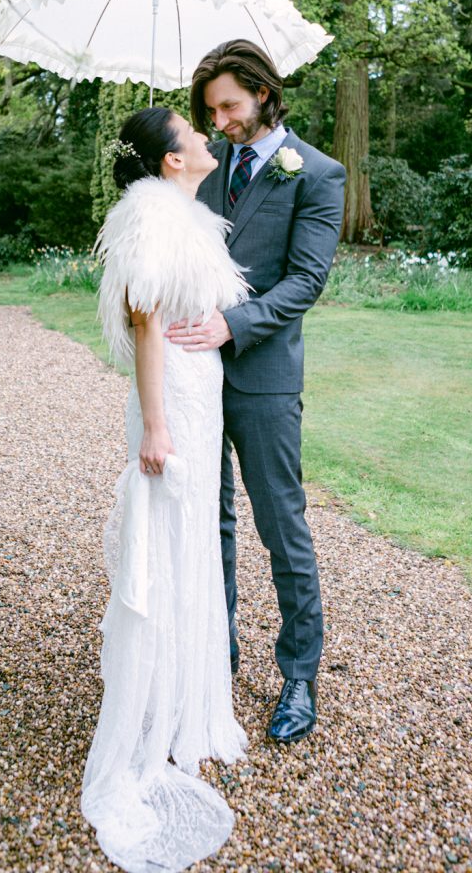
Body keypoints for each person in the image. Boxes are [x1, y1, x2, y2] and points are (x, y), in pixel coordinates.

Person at [81, 106, 250, 873]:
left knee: (190, 548)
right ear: (171, 159)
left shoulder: (186, 212)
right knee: (166, 544)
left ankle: (184, 707)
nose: (208, 136)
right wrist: (154, 424)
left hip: (199, 388)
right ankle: (151, 721)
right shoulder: (151, 215)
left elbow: (186, 308)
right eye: (195, 130)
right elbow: (146, 321)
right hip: (172, 400)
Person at [166, 39, 345, 745]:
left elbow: (306, 281)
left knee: (282, 527)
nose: (221, 120)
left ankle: (299, 674)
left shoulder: (318, 174)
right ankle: (220, 656)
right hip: (195, 379)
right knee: (210, 524)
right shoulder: (203, 172)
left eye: (231, 105)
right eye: (210, 109)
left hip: (265, 376)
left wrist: (230, 325)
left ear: (265, 94)